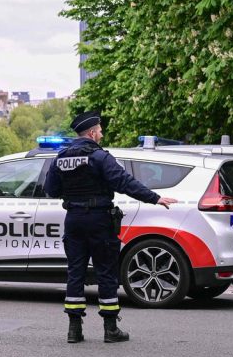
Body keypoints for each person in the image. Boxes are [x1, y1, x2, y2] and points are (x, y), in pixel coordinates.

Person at [44, 111, 177, 344]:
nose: (102, 134)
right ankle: (110, 329)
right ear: (92, 133)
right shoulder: (99, 157)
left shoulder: (60, 158)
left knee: (75, 272)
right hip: (98, 220)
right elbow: (124, 182)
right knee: (105, 272)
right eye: (100, 131)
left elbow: (51, 190)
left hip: (73, 219)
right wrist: (154, 198)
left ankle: (74, 330)